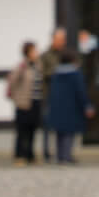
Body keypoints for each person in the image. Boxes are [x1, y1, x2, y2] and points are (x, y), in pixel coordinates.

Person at [44, 48, 91, 164]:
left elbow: (51, 91)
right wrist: (87, 105)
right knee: (70, 132)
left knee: (59, 132)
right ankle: (66, 155)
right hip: (72, 107)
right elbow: (81, 92)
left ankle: (60, 156)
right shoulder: (76, 74)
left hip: (57, 106)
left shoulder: (55, 74)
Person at [5, 40, 40, 166]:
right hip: (23, 103)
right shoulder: (22, 66)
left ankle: (30, 155)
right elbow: (12, 82)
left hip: (35, 101)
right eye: (34, 50)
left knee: (32, 130)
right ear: (28, 52)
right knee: (22, 131)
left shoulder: (37, 66)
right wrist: (17, 98)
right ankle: (19, 155)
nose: (36, 53)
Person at [36, 27, 68, 162]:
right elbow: (42, 73)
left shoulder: (67, 55)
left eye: (63, 40)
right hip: (49, 94)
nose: (62, 42)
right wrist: (57, 72)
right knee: (47, 125)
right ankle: (46, 153)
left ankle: (63, 154)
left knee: (63, 124)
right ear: (53, 39)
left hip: (64, 96)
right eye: (60, 39)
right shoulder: (45, 56)